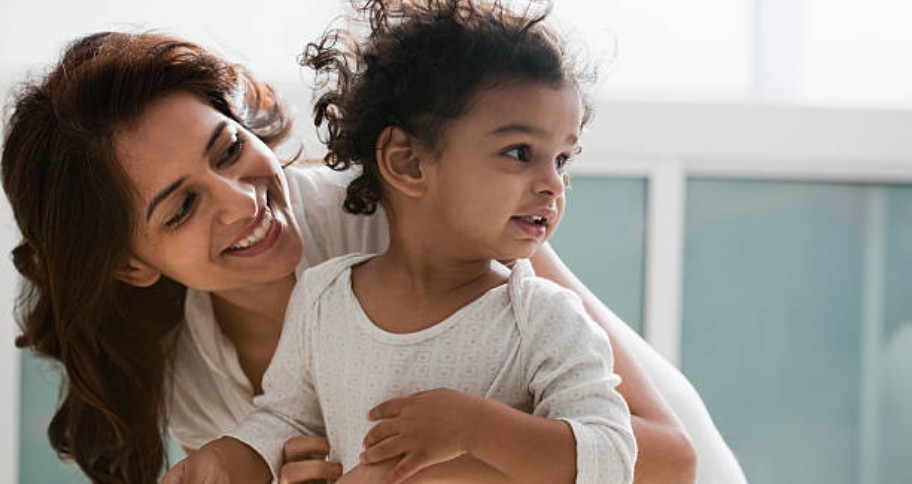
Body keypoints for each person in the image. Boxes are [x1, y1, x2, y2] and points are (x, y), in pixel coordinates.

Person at [1, 14, 745, 484]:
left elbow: (659, 456)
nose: (242, 198)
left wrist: (455, 453)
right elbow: (280, 430)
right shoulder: (197, 371)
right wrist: (246, 459)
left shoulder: (408, 212)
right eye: (184, 206)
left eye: (229, 150)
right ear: (131, 263)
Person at [162, 1, 637, 483]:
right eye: (520, 153)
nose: (554, 185)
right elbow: (285, 417)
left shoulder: (544, 317)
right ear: (407, 162)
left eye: (561, 159)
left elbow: (612, 455)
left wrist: (478, 430)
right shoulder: (324, 298)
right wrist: (231, 455)